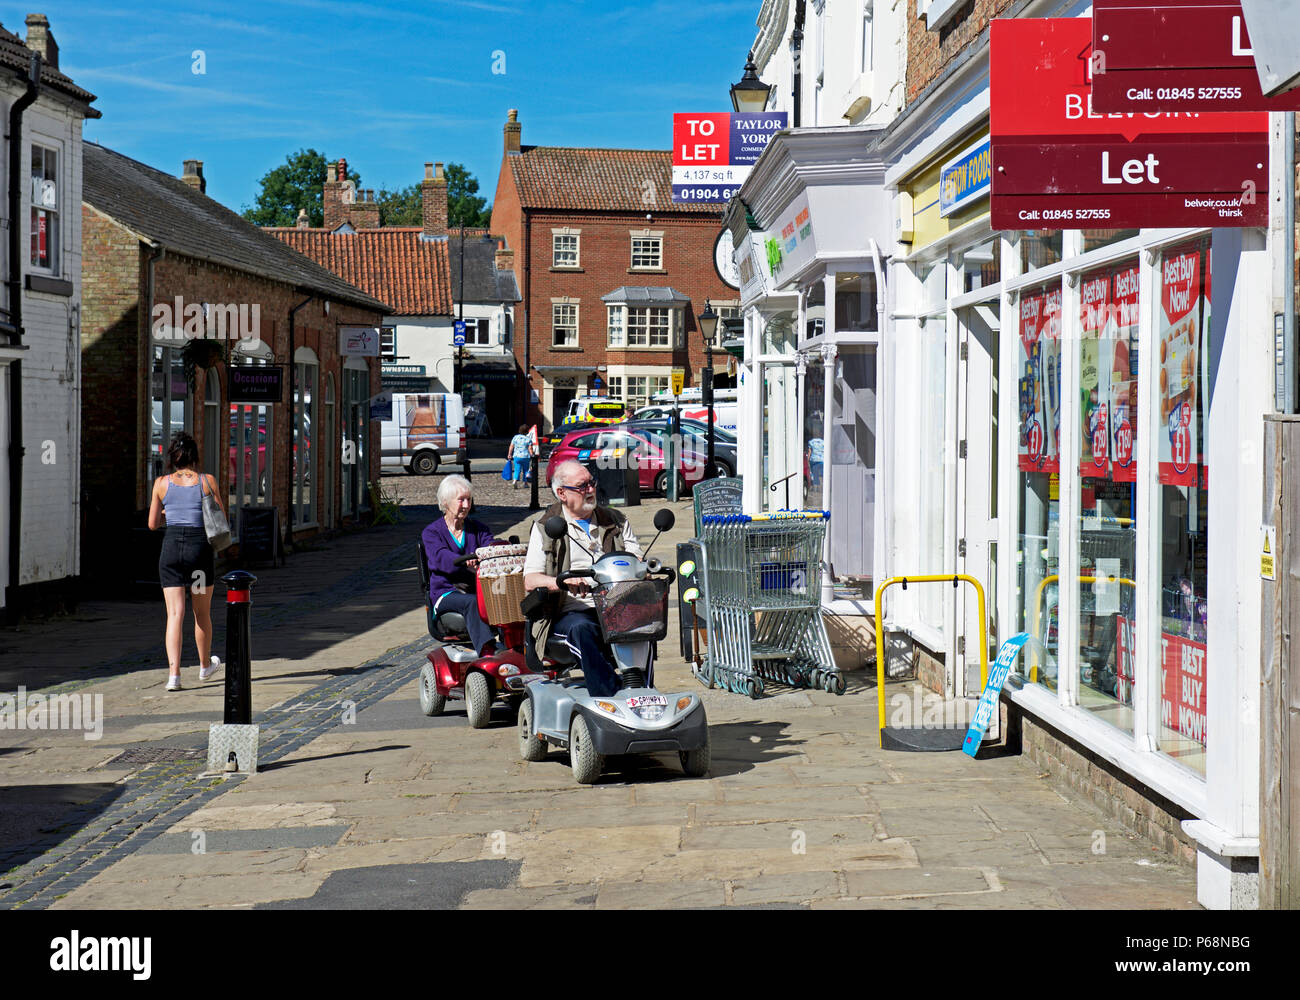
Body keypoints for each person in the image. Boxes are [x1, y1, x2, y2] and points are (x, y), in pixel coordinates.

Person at [523, 459, 641, 697]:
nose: (590, 490)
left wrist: (644, 571)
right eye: (582, 486)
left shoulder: (616, 520)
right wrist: (561, 582)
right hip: (567, 612)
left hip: (615, 605)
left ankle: (641, 689)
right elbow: (530, 579)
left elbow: (638, 562)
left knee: (646, 623)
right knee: (583, 629)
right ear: (561, 493)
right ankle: (610, 695)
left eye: (592, 483)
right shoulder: (546, 527)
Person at [147, 431, 225, 692]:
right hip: (199, 553)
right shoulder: (207, 481)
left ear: (172, 457)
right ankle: (205, 666)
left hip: (171, 553)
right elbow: (221, 519)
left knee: (174, 614)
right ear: (195, 456)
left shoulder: (161, 483)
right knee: (201, 613)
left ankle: (174, 676)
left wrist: (169, 512)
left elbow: (152, 524)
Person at [421, 474, 503, 656]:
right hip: (447, 592)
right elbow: (440, 557)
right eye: (461, 500)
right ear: (445, 502)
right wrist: (465, 562)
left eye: (469, 500)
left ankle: (514, 648)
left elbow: (490, 544)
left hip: (478, 589)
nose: (466, 505)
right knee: (472, 602)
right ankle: (487, 650)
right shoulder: (432, 532)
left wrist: (496, 549)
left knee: (505, 596)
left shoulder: (477, 528)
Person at [507, 424, 532, 490]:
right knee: (526, 470)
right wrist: (532, 455)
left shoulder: (515, 437)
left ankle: (515, 481)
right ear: (527, 431)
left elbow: (511, 446)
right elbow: (530, 448)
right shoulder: (528, 439)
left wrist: (509, 454)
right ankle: (525, 483)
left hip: (517, 456)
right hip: (526, 457)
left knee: (517, 469)